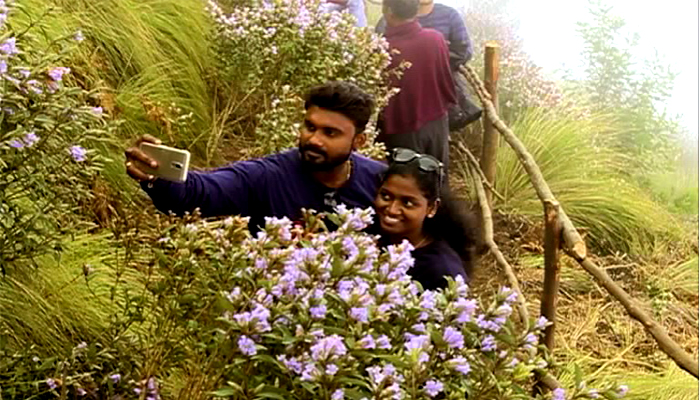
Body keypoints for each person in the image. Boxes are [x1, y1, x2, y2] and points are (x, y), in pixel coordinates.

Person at [124, 81, 386, 232]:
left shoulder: (379, 182)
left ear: (358, 141)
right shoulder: (268, 176)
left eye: (330, 133)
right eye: (310, 127)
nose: (314, 139)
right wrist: (159, 177)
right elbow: (197, 193)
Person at [373, 147, 478, 289]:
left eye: (407, 203)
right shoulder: (373, 234)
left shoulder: (442, 270)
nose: (392, 209)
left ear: (432, 208)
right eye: (385, 196)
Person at [376, 0, 481, 132]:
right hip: (403, 99)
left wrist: (432, 59)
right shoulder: (387, 21)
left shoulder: (449, 16)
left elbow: (464, 51)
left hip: (435, 96)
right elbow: (380, 53)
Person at [377, 0, 456, 169]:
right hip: (436, 122)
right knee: (437, 178)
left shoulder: (383, 48)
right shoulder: (435, 39)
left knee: (406, 183)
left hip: (399, 127)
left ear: (388, 11)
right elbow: (445, 79)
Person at [376, 0, 473, 70]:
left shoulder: (450, 16)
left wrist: (434, 55)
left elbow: (464, 52)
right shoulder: (390, 19)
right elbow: (378, 54)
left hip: (445, 74)